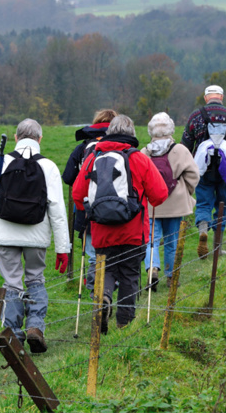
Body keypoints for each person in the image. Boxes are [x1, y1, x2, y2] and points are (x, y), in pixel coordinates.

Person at [0, 118, 70, 353]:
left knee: (12, 283)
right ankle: (35, 327)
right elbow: (57, 210)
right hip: (36, 235)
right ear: (40, 139)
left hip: (4, 234)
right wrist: (63, 247)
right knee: (36, 279)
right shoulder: (48, 166)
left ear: (16, 137)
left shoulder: (1, 161)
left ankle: (11, 336)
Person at [72, 115, 168, 332]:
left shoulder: (92, 158)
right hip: (133, 232)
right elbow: (160, 195)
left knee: (105, 270)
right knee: (130, 275)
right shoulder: (139, 159)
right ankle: (124, 324)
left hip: (102, 231)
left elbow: (78, 195)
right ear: (132, 134)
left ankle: (104, 298)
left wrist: (94, 211)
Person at [181, 85, 226, 258]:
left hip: (203, 169)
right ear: (222, 97)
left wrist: (187, 168)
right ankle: (218, 246)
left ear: (205, 98)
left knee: (203, 203)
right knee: (223, 205)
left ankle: (203, 227)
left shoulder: (195, 116)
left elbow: (185, 145)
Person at [141, 112, 200, 290]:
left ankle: (152, 268)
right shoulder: (180, 150)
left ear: (151, 130)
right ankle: (171, 276)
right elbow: (193, 175)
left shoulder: (145, 152)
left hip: (152, 205)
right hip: (175, 204)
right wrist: (185, 191)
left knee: (152, 239)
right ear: (171, 128)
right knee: (172, 241)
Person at [62, 109, 117, 297]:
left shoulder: (83, 148)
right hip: (116, 208)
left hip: (87, 208)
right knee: (113, 249)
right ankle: (109, 288)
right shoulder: (121, 146)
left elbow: (68, 176)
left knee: (93, 252)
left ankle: (96, 293)